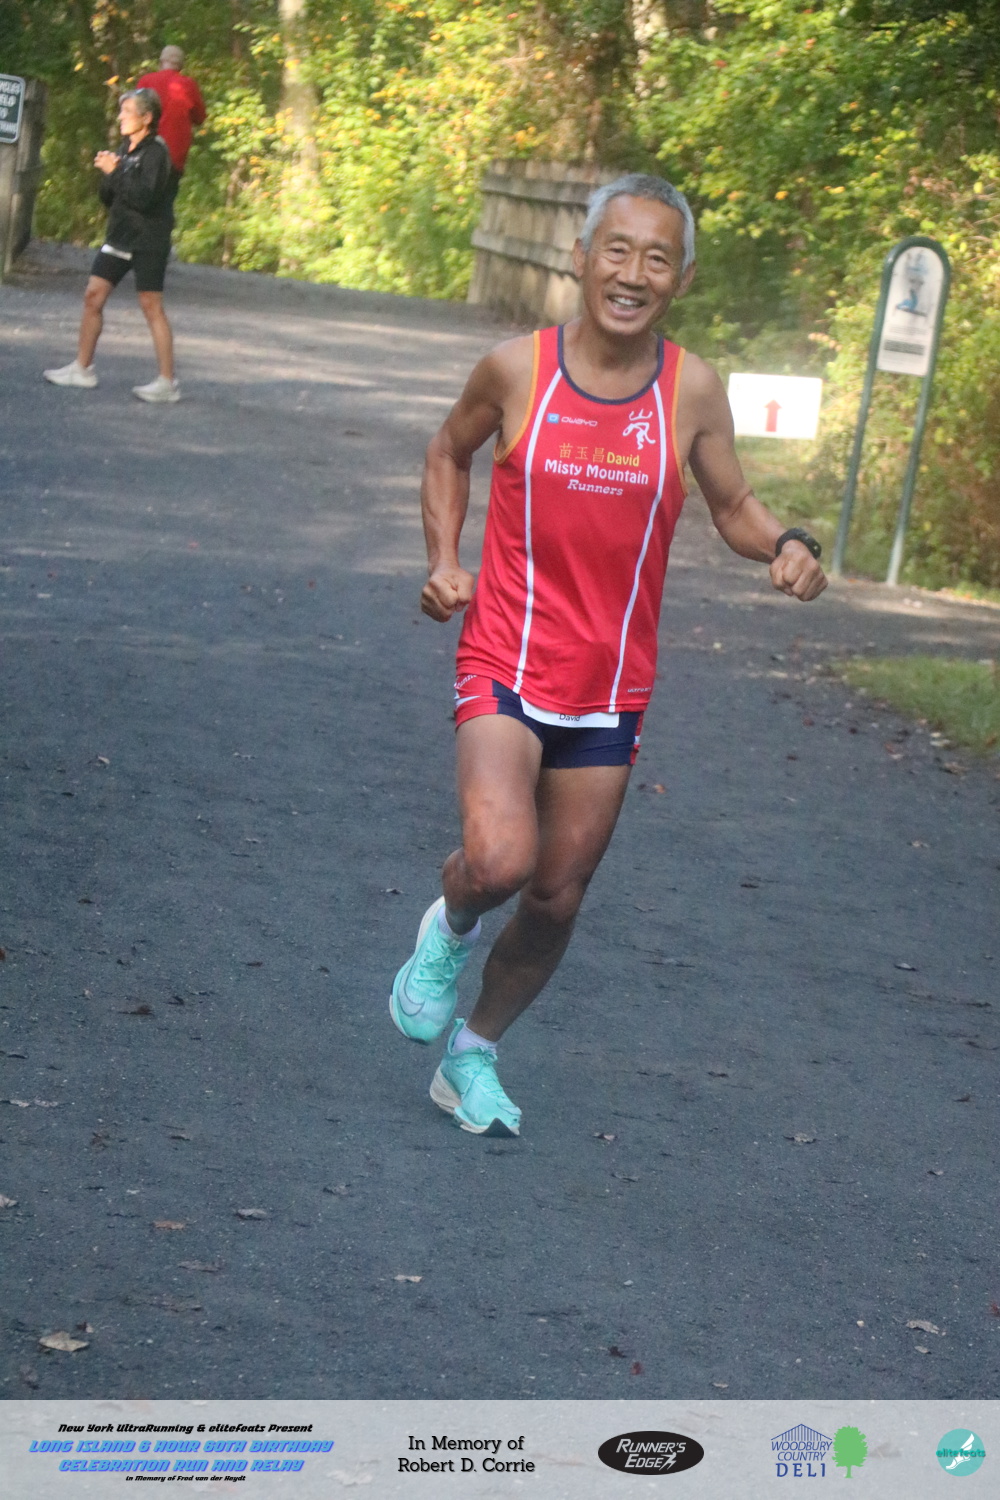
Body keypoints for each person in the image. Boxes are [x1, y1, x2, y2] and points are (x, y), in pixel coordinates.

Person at [389, 173, 827, 1138]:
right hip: (506, 656)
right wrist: (444, 562)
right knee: (501, 861)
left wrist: (789, 542)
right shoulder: (518, 370)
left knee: (555, 896)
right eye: (617, 251)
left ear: (683, 278)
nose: (633, 274)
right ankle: (450, 923)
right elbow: (447, 452)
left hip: (609, 686)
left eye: (657, 258)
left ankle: (473, 1055)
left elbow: (732, 506)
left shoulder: (691, 389)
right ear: (581, 258)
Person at [43, 89, 180, 401]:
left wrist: (116, 172)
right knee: (93, 296)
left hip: (148, 240)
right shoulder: (125, 148)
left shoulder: (156, 153)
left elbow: (145, 199)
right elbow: (110, 197)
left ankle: (167, 382)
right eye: (121, 111)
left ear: (146, 118)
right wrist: (108, 173)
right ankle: (82, 369)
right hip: (120, 236)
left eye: (128, 111)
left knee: (151, 305)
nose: (121, 117)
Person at [136, 45, 206, 181]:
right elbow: (200, 118)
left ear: (161, 62)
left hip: (145, 152)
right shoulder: (189, 85)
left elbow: (134, 113)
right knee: (167, 192)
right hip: (174, 156)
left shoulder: (146, 81)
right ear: (180, 66)